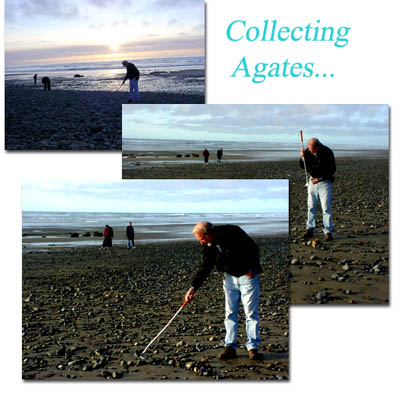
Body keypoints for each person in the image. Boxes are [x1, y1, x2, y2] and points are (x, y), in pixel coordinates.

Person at [185, 222, 263, 361]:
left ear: (209, 234)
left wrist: (253, 268)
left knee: (251, 313)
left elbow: (253, 248)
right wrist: (193, 288)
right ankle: (230, 347)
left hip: (247, 277)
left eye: (202, 239)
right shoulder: (208, 245)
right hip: (229, 279)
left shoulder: (233, 232)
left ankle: (253, 347)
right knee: (230, 312)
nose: (201, 242)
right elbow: (206, 265)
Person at [300, 137, 336, 241]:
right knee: (311, 206)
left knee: (326, 208)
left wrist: (320, 178)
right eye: (309, 149)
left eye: (312, 150)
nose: (310, 151)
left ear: (318, 146)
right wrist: (302, 157)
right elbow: (303, 166)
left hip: (324, 182)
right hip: (312, 182)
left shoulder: (327, 152)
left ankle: (328, 231)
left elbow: (332, 169)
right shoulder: (307, 151)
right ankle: (310, 229)